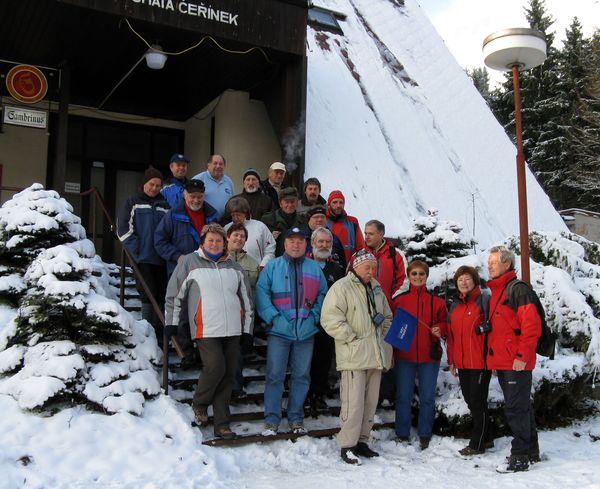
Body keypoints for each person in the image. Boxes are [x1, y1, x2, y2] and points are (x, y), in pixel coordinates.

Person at [164, 223, 253, 440]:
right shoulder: (189, 262)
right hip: (206, 328)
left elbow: (247, 301)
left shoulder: (234, 267)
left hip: (233, 329)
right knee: (215, 367)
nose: (214, 244)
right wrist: (171, 323)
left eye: (219, 240)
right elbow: (174, 295)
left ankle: (222, 424)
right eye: (210, 240)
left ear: (225, 243)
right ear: (203, 242)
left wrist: (247, 330)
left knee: (228, 375)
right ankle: (200, 403)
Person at [321, 249, 393, 465]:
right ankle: (347, 445)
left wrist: (383, 337)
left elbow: (387, 317)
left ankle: (362, 441)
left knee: (370, 403)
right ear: (355, 266)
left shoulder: (377, 289)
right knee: (353, 403)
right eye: (367, 267)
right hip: (353, 356)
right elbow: (330, 318)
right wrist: (351, 337)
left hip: (375, 355)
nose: (371, 271)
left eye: (374, 268)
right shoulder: (341, 287)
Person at [256, 227, 327, 435]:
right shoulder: (273, 266)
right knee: (274, 376)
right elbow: (261, 293)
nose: (296, 245)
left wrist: (313, 318)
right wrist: (274, 318)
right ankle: (272, 419)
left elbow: (323, 295)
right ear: (285, 244)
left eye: (300, 241)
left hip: (305, 333)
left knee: (302, 376)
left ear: (306, 244)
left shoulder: (314, 268)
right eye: (291, 241)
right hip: (279, 332)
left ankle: (296, 418)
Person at [487, 246, 541, 472]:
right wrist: (494, 361)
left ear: (507, 263)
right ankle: (532, 451)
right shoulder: (498, 291)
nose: (489, 266)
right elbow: (500, 331)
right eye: (489, 262)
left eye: (494, 262)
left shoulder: (517, 289)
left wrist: (522, 356)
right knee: (522, 408)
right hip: (504, 361)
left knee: (516, 410)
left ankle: (519, 456)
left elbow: (531, 327)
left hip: (516, 362)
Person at [392, 260, 447, 450]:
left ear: (426, 276)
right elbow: (392, 326)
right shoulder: (399, 301)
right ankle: (402, 432)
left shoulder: (437, 302)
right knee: (403, 396)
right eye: (414, 273)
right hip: (404, 356)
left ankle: (425, 433)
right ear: (409, 276)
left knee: (427, 397)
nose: (417, 277)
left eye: (421, 274)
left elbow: (445, 323)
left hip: (429, 357)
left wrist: (440, 328)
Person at [117, 166, 169, 346]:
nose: (154, 188)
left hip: (161, 258)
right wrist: (137, 251)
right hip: (143, 257)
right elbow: (123, 228)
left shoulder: (165, 204)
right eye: (151, 184)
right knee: (148, 293)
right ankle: (148, 332)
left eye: (158, 185)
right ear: (144, 183)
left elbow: (169, 228)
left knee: (161, 294)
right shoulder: (133, 201)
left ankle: (160, 335)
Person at [447, 265, 493, 456]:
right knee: (470, 399)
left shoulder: (484, 300)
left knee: (477, 401)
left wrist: (492, 357)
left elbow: (493, 329)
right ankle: (487, 437)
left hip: (480, 361)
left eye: (467, 278)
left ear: (474, 280)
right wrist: (452, 360)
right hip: (462, 361)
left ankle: (477, 443)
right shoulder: (455, 305)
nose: (464, 282)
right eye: (460, 279)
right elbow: (451, 335)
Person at [306, 227, 345, 412]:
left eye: (327, 242)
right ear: (312, 243)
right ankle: (304, 395)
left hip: (328, 323)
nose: (324, 245)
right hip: (306, 321)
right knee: (305, 361)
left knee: (323, 360)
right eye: (320, 241)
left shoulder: (336, 268)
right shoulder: (303, 265)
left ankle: (318, 394)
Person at [154, 179, 218, 276]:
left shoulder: (212, 215)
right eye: (192, 196)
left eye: (199, 197)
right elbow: (160, 241)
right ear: (185, 195)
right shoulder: (172, 215)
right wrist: (177, 256)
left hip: (206, 270)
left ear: (204, 196)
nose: (196, 200)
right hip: (179, 270)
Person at [226, 222, 260, 400]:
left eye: (242, 236)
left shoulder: (252, 263)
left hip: (242, 315)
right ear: (228, 237)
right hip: (221, 313)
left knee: (237, 351)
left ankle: (235, 387)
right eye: (236, 235)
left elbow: (255, 291)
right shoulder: (218, 258)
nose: (239, 239)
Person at [362, 219, 407, 307]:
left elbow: (404, 282)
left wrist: (392, 301)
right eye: (365, 233)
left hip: (388, 308)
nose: (367, 237)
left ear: (381, 234)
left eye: (370, 234)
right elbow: (349, 280)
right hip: (363, 307)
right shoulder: (359, 255)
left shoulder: (396, 254)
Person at [223, 197, 275, 269]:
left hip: (257, 271)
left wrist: (263, 265)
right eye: (233, 215)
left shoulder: (260, 226)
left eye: (238, 215)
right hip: (232, 271)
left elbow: (270, 249)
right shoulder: (226, 228)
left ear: (245, 213)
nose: (235, 218)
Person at [261, 187, 305, 257]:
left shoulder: (304, 220)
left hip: (297, 260)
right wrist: (270, 238)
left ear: (297, 203)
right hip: (274, 260)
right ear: (280, 203)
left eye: (292, 202)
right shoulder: (267, 220)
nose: (290, 205)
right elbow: (261, 243)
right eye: (286, 202)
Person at [326, 190, 365, 263]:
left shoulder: (353, 222)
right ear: (329, 204)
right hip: (327, 265)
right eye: (335, 202)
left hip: (348, 266)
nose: (338, 205)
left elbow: (361, 247)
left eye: (341, 202)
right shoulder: (322, 221)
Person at [302, 205, 346, 270]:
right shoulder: (300, 238)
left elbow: (342, 263)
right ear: (309, 219)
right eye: (316, 217)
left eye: (322, 217)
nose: (320, 219)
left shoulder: (335, 239)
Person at [193, 154, 234, 220]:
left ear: (224, 166)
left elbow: (232, 201)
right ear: (208, 165)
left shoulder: (228, 181)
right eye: (215, 163)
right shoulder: (198, 179)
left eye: (221, 164)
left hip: (225, 221)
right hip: (205, 221)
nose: (218, 166)